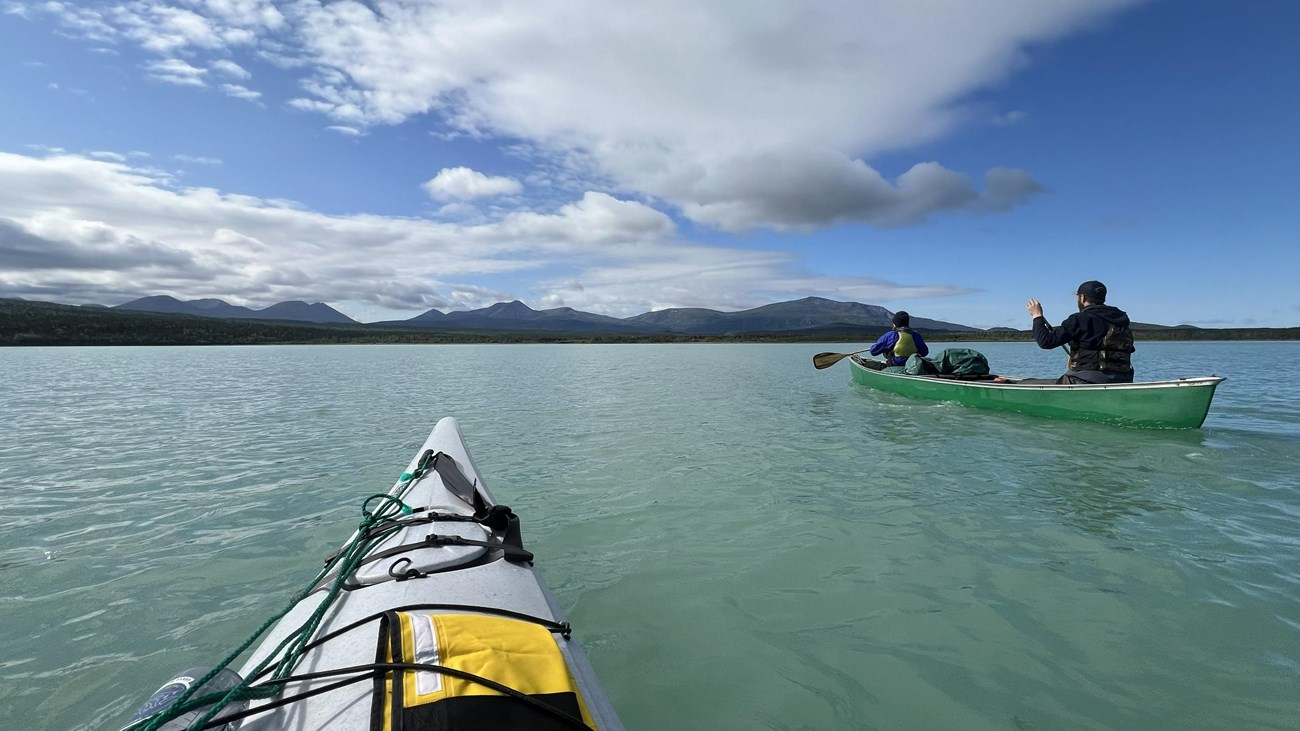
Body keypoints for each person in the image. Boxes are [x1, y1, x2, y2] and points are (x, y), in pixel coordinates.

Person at [1025, 280, 1135, 384]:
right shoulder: (1121, 321)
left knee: (1025, 382)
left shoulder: (1079, 319)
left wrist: (1037, 316)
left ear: (1082, 298)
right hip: (1123, 380)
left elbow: (1046, 341)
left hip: (1085, 380)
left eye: (1077, 296)